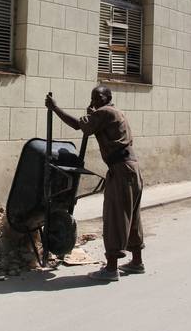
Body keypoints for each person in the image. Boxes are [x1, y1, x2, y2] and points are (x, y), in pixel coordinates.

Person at [45, 86, 144, 282]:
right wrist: (91, 115)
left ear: (108, 98)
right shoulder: (112, 113)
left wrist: (55, 108)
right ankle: (136, 262)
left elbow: (78, 125)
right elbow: (91, 126)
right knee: (131, 216)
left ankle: (111, 268)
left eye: (99, 97)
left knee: (115, 216)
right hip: (130, 168)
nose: (95, 100)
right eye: (92, 98)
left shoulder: (106, 112)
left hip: (122, 169)